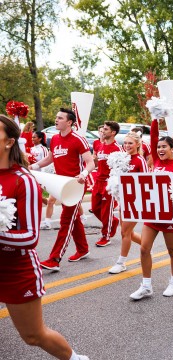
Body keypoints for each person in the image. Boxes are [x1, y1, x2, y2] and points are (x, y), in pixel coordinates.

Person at [0, 115, 89, 360]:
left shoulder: (23, 180)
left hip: (15, 271)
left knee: (33, 336)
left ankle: (76, 358)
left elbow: (29, 237)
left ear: (9, 142)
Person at [130, 119, 173, 300]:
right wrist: (155, 117)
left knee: (172, 251)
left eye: (164, 147)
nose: (160, 150)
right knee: (144, 249)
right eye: (159, 147)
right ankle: (146, 285)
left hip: (169, 216)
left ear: (172, 149)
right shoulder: (155, 161)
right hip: (152, 213)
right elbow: (153, 136)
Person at [31, 108, 94, 271]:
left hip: (75, 187)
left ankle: (55, 259)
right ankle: (83, 249)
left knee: (66, 220)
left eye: (60, 118)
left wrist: (83, 174)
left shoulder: (78, 139)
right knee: (73, 218)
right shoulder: (54, 138)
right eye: (56, 117)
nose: (56, 120)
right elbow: (51, 158)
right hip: (61, 186)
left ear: (69, 122)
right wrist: (35, 166)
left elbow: (90, 162)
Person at [108, 132, 148, 274]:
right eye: (125, 143)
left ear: (137, 144)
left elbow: (146, 181)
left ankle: (121, 262)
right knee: (126, 232)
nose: (127, 145)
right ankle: (147, 247)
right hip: (124, 199)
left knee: (125, 232)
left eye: (130, 143)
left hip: (136, 201)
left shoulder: (140, 160)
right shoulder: (122, 158)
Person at [91, 121, 122, 247]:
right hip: (98, 181)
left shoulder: (117, 149)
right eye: (103, 128)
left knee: (105, 211)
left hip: (109, 183)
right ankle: (113, 222)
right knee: (95, 208)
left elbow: (121, 168)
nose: (102, 131)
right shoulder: (100, 145)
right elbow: (98, 164)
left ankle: (106, 235)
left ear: (113, 133)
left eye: (105, 129)